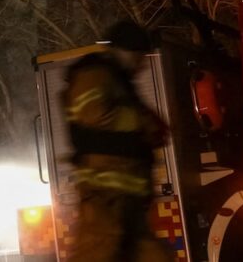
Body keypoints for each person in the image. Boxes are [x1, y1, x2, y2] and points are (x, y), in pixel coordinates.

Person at [63, 20, 171, 262]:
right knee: (96, 255)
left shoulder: (119, 80)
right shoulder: (93, 72)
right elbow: (91, 112)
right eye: (139, 57)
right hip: (105, 198)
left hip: (129, 202)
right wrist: (143, 124)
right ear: (125, 51)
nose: (142, 64)